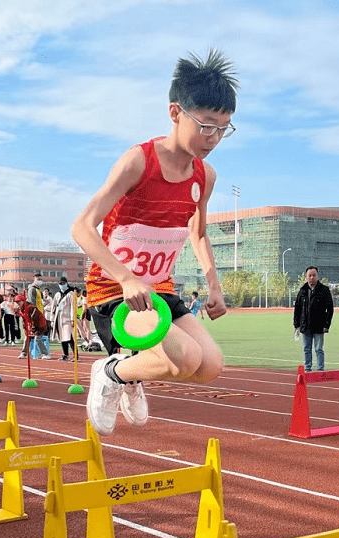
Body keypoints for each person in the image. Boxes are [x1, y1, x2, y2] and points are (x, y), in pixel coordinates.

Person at [71, 50, 234, 436]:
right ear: (175, 112)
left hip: (160, 291)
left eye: (224, 128)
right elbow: (82, 226)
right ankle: (111, 372)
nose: (214, 138)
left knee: (210, 365)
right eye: (206, 126)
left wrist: (214, 285)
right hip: (115, 292)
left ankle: (130, 370)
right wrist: (126, 277)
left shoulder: (204, 175)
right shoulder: (138, 162)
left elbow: (197, 233)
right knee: (184, 356)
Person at [293, 266, 333, 371]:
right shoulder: (302, 291)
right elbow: (297, 309)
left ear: (317, 276)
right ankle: (307, 369)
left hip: (319, 325)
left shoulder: (324, 290)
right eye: (309, 275)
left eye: (314, 275)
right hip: (305, 325)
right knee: (307, 349)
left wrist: (326, 325)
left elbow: (330, 309)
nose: (311, 277)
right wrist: (296, 325)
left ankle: (320, 370)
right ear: (306, 277)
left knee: (319, 349)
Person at [15, 294, 51, 360]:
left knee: (38, 339)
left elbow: (36, 318)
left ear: (23, 301)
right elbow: (24, 319)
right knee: (26, 338)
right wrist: (25, 328)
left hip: (40, 325)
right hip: (30, 325)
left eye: (19, 302)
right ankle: (24, 353)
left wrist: (34, 328)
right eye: (16, 302)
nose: (18, 304)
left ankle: (45, 353)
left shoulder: (31, 307)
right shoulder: (21, 309)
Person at [52, 277, 77, 360]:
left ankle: (75, 355)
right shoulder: (57, 294)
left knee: (69, 337)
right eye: (60, 284)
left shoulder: (71, 294)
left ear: (66, 283)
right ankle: (65, 354)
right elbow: (53, 307)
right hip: (58, 319)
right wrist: (52, 320)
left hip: (67, 319)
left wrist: (73, 319)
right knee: (62, 337)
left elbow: (73, 307)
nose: (62, 285)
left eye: (63, 284)